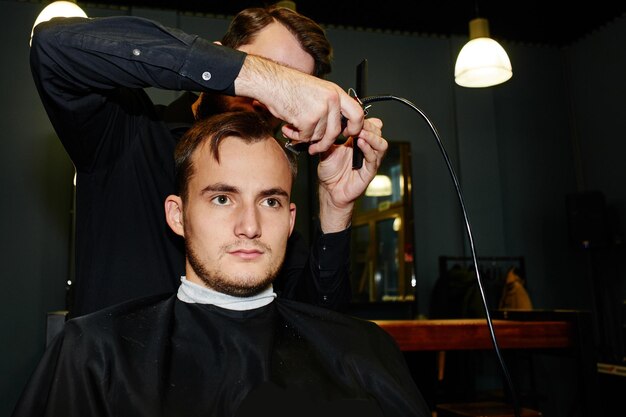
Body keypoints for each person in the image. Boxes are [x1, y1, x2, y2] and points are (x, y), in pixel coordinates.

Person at [11, 111, 430, 417]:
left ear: (290, 220)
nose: (249, 226)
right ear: (177, 215)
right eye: (222, 198)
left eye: (269, 201)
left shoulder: (362, 349)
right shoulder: (94, 354)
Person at [29, 5, 384, 317]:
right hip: (113, 386)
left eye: (295, 89)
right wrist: (268, 82)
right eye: (270, 69)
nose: (274, 104)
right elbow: (53, 47)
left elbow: (318, 325)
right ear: (220, 56)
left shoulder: (264, 199)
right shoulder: (125, 131)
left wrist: (335, 209)